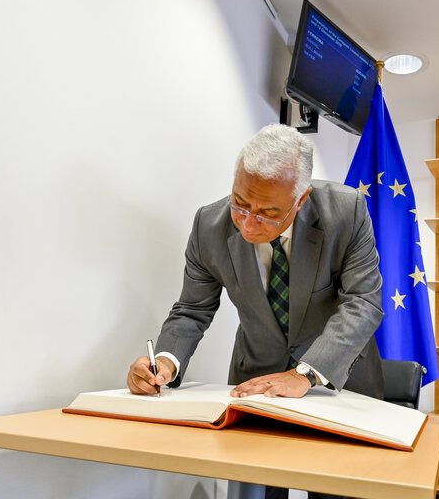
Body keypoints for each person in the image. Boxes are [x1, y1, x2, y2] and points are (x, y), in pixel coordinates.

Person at [127, 123, 384, 499]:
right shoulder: (208, 225)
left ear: (301, 199)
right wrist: (165, 362)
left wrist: (303, 374)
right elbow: (192, 309)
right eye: (241, 203)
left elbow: (363, 303)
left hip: (335, 383)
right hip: (254, 384)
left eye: (268, 213)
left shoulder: (346, 213)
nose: (248, 224)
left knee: (338, 491)